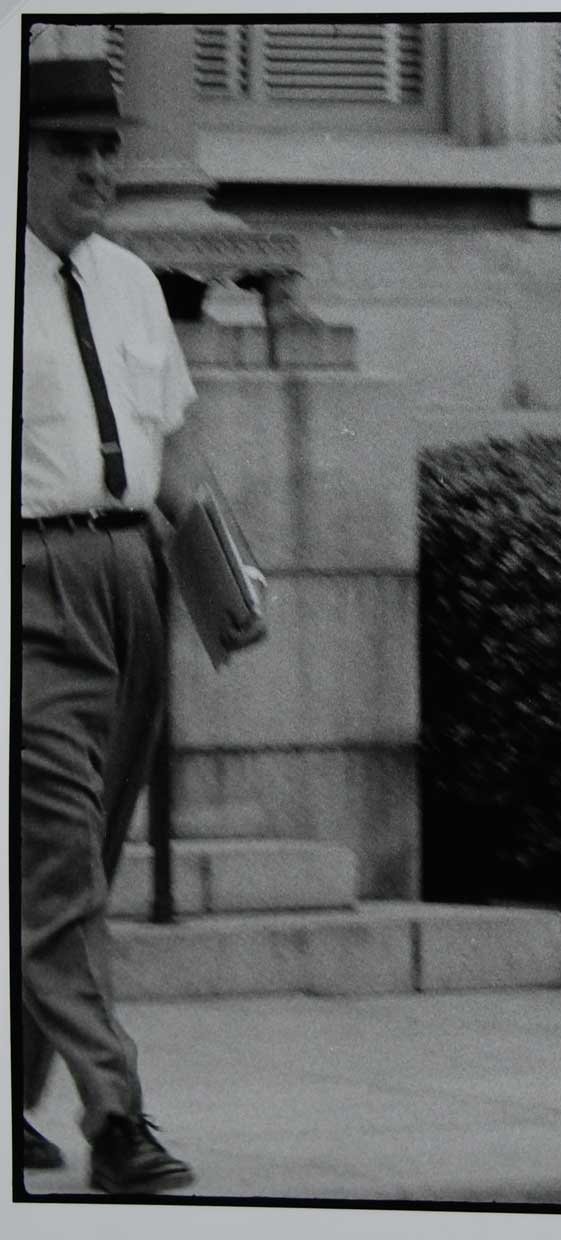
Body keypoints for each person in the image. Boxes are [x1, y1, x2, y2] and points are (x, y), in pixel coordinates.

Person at [17, 56, 266, 1194]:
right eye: (72, 150)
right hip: (30, 581)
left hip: (131, 579)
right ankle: (119, 1119)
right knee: (59, 857)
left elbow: (171, 445)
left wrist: (224, 571)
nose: (98, 169)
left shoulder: (125, 281)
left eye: (110, 148)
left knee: (81, 858)